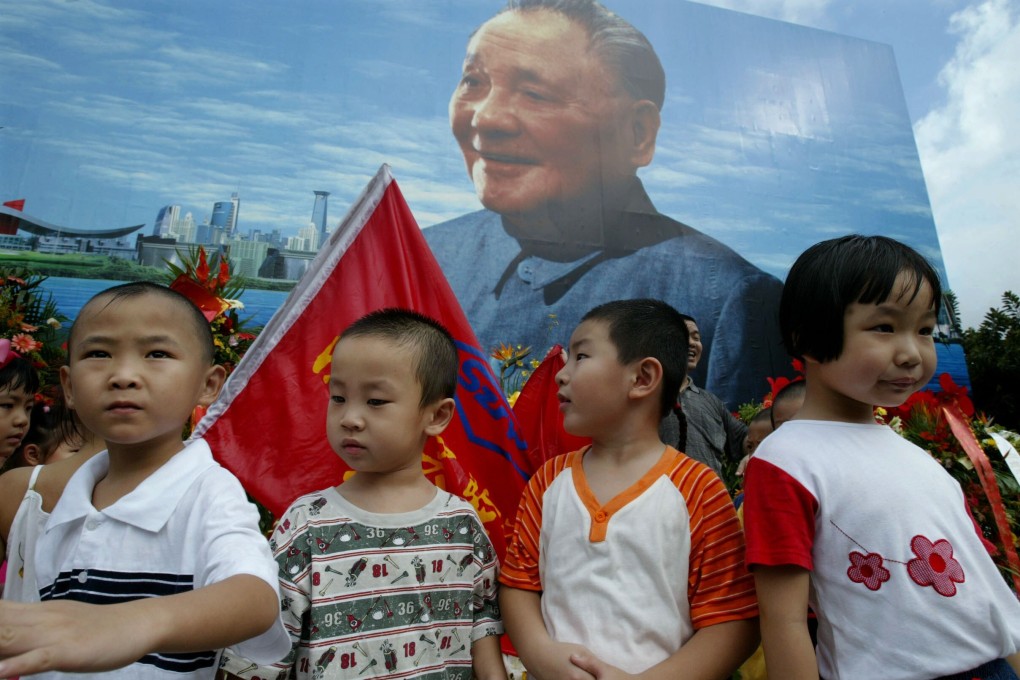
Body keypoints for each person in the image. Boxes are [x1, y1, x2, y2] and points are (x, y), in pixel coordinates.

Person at [423, 0, 787, 410]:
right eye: (473, 81)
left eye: (535, 93)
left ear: (637, 133)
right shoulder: (424, 257)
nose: (486, 118)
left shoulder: (725, 300)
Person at [743, 235, 1020, 679]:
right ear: (808, 338)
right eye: (885, 328)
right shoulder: (786, 459)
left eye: (925, 330)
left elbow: (984, 583)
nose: (912, 352)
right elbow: (784, 618)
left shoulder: (917, 457)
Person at [0, 281, 289, 679]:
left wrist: (134, 623)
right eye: (99, 353)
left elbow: (254, 599)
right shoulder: (65, 505)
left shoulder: (207, 492)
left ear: (208, 384)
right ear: (68, 386)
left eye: (157, 353)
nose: (123, 375)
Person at [220, 309, 507, 680]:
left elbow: (482, 625)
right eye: (338, 397)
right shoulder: (307, 523)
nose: (349, 418)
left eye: (375, 401)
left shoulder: (462, 524)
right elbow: (261, 651)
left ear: (436, 416)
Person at [500, 299, 758, 678]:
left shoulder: (698, 489)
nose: (561, 374)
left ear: (642, 378)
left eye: (581, 356)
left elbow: (734, 621)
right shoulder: (549, 480)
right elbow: (518, 585)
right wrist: (541, 655)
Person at [660, 314, 747, 480]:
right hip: (661, 501)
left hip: (710, 501)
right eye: (684, 336)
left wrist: (756, 450)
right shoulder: (644, 398)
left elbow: (745, 439)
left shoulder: (711, 401)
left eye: (696, 338)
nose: (692, 343)